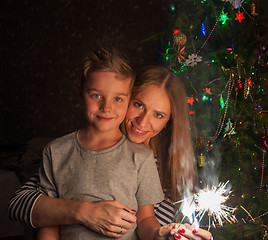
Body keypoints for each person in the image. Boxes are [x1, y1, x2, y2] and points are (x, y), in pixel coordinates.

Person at [8, 53, 212, 239]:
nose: (142, 122)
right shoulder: (67, 151)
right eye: (139, 105)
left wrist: (164, 235)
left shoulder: (167, 169)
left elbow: (147, 224)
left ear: (168, 121)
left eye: (158, 115)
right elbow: (20, 204)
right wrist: (86, 212)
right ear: (127, 97)